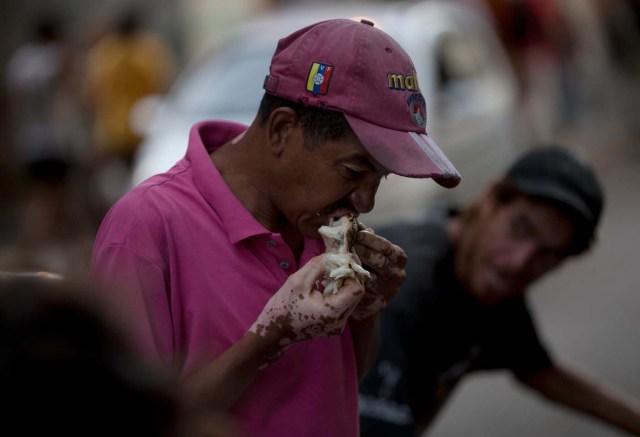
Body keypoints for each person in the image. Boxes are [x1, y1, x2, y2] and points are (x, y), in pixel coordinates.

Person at [91, 18, 461, 437]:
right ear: (283, 130)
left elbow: (337, 387)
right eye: (354, 171)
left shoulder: (318, 224)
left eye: (380, 179)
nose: (365, 202)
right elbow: (133, 419)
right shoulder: (146, 227)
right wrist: (270, 337)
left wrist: (365, 313)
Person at [358, 146, 640, 436]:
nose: (519, 262)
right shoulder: (401, 283)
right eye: (520, 229)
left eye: (546, 254)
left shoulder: (488, 283)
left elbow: (539, 371)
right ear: (491, 199)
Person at [84, 7, 176, 218]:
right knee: (145, 180)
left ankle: (120, 219)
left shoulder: (103, 53)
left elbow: (91, 94)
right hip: (145, 126)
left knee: (115, 183)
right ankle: (142, 219)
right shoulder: (149, 49)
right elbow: (163, 84)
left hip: (112, 130)